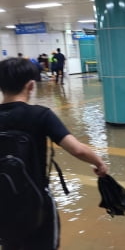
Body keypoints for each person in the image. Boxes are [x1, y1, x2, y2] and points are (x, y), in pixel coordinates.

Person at [0, 58, 108, 250]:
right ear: (31, 85)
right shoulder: (40, 115)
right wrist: (99, 163)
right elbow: (77, 149)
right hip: (36, 202)